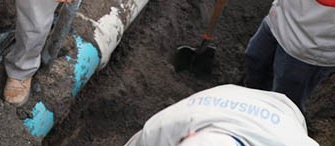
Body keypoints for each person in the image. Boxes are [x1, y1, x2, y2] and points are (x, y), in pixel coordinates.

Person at [124, 84, 318, 146]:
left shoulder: (290, 141)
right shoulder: (157, 131)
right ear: (189, 135)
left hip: (283, 111)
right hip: (221, 97)